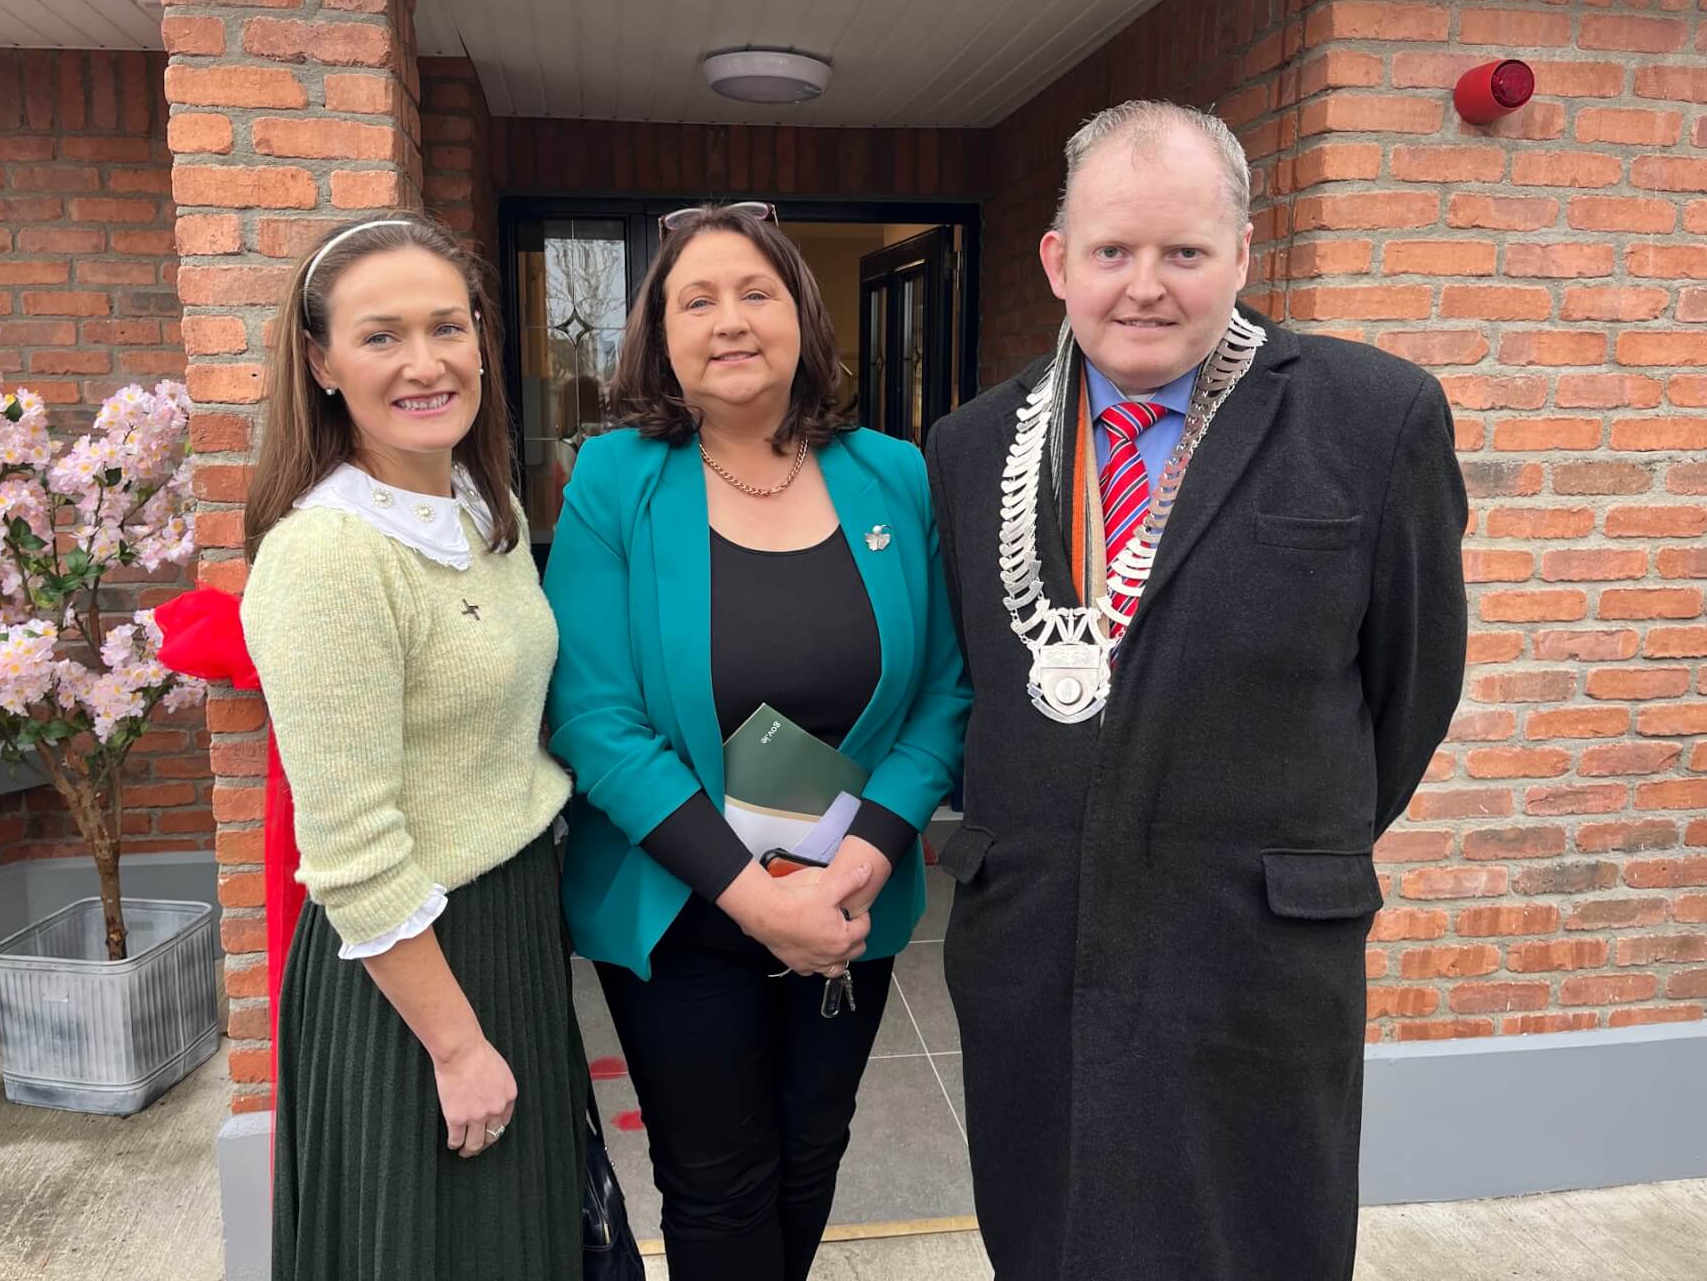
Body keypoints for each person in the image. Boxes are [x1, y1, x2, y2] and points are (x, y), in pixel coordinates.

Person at [924, 101, 1468, 1280]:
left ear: (1243, 255)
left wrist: (1279, 841)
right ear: (1058, 260)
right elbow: (969, 678)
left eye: (1185, 253)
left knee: (1251, 1240)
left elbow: (1414, 684)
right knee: (1049, 1234)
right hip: (1036, 936)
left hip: (1253, 945)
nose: (1145, 288)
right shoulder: (968, 447)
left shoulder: (1373, 418)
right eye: (1113, 252)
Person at [543, 202, 970, 1281]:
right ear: (662, 336)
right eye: (697, 299)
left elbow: (945, 693)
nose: (729, 320)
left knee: (810, 1157)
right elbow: (594, 716)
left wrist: (862, 860)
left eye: (755, 293)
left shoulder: (896, 474)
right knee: (717, 1183)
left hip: (847, 901)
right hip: (684, 902)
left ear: (801, 319)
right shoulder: (615, 481)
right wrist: (754, 898)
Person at [239, 214, 585, 1281]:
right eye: (382, 336)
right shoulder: (328, 556)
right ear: (321, 361)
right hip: (414, 967)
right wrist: (456, 1044)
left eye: (447, 327)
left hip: (514, 920)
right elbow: (350, 848)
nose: (425, 363)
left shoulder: (488, 512)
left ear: (484, 338)